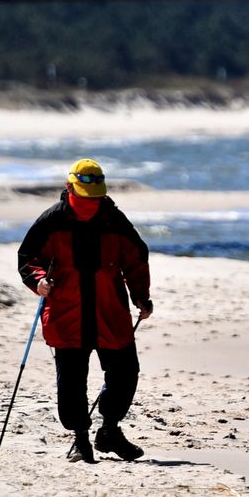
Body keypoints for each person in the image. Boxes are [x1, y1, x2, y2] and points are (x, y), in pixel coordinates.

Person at [17, 158, 153, 464]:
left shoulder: (114, 219)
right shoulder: (52, 221)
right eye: (84, 196)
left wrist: (141, 298)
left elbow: (135, 259)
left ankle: (109, 431)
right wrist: (39, 282)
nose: (91, 202)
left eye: (95, 197)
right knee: (72, 382)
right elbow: (28, 257)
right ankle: (80, 440)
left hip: (110, 311)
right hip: (67, 312)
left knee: (125, 374)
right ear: (68, 188)